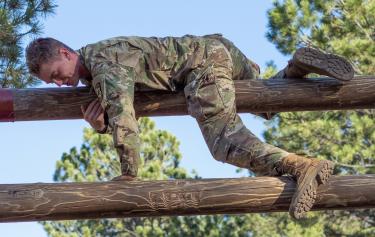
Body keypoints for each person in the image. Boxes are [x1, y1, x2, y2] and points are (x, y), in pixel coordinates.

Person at [25, 34, 354, 219]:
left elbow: (123, 114)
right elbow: (116, 108)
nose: (59, 84)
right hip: (217, 46)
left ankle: (300, 166)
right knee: (266, 102)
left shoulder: (102, 67)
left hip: (200, 67)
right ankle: (296, 66)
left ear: (66, 53)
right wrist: (100, 126)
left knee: (224, 142)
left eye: (55, 73)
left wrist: (128, 174)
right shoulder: (101, 58)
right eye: (50, 82)